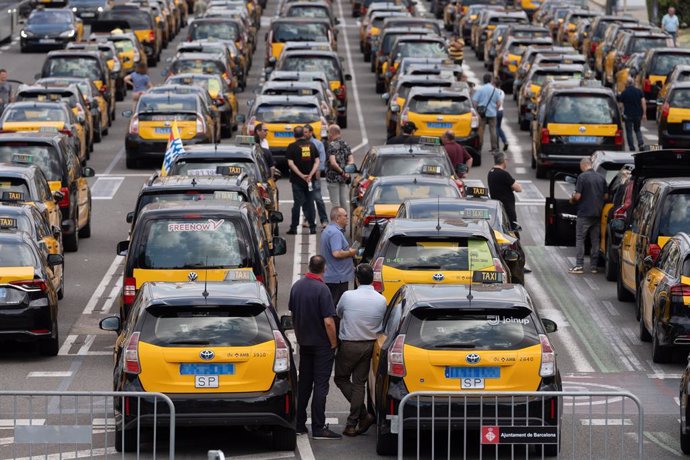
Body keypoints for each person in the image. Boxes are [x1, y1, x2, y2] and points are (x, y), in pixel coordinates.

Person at [288, 255, 341, 440]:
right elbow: (328, 322)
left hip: (305, 344)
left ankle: (299, 424)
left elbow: (293, 315)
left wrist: (300, 336)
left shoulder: (297, 287)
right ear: (324, 268)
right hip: (321, 346)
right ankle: (318, 427)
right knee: (320, 386)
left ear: (310, 266)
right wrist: (333, 343)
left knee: (304, 384)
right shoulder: (322, 290)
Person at [334, 263, 386, 437]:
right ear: (372, 279)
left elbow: (339, 313)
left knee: (341, 378)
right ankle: (352, 423)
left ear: (356, 279)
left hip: (349, 344)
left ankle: (362, 415)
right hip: (370, 345)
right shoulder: (381, 299)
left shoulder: (348, 296)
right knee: (359, 383)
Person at [569, 158, 608, 274]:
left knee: (580, 238)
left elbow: (577, 197)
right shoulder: (601, 177)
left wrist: (571, 199)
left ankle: (579, 265)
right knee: (595, 240)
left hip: (584, 213)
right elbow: (606, 196)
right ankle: (594, 266)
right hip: (597, 214)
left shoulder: (582, 177)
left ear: (583, 165)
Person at [286, 126, 320, 235]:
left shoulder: (292, 147)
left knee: (297, 204)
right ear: (303, 134)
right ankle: (313, 227)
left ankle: (294, 228)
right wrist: (310, 175)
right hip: (310, 180)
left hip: (297, 181)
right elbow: (317, 161)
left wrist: (301, 175)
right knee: (310, 203)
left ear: (294, 134)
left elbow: (291, 164)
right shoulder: (312, 145)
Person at [321, 207, 356, 305]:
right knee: (336, 306)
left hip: (332, 276)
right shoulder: (335, 233)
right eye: (345, 216)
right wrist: (350, 253)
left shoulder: (329, 230)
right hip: (337, 278)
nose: (347, 218)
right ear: (337, 218)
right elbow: (336, 253)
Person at [487, 152, 522, 227]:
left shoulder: (490, 172)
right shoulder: (504, 174)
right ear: (503, 161)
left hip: (497, 206)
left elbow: (501, 186)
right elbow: (518, 188)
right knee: (512, 229)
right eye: (507, 160)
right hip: (507, 208)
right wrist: (516, 185)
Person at [304, 125, 328, 229]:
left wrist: (319, 170)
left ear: (311, 132)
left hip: (314, 175)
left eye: (306, 132)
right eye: (303, 132)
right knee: (305, 199)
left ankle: (324, 220)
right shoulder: (302, 144)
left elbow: (322, 158)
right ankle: (307, 219)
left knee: (318, 198)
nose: (304, 134)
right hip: (304, 176)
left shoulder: (318, 144)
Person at [326, 124, 354, 210]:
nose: (327, 135)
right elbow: (351, 160)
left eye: (328, 132)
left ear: (332, 133)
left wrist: (341, 172)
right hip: (343, 178)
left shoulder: (332, 145)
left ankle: (337, 221)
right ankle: (345, 219)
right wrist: (346, 172)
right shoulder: (345, 144)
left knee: (335, 203)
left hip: (333, 177)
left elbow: (333, 163)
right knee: (343, 201)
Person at [472, 73, 500, 154]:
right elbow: (498, 103)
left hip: (482, 113)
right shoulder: (495, 90)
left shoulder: (480, 89)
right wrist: (495, 109)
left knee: (481, 130)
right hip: (492, 113)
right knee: (493, 130)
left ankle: (479, 147)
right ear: (491, 80)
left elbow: (474, 102)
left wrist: (477, 110)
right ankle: (494, 148)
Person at [618, 77, 646, 151]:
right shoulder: (639, 91)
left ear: (627, 84)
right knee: (637, 129)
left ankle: (631, 147)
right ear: (633, 83)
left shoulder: (624, 93)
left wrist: (621, 113)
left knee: (629, 131)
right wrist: (644, 114)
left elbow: (620, 105)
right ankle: (641, 143)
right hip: (638, 115)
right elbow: (643, 102)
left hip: (628, 115)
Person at [495, 77, 508, 152]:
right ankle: (504, 140)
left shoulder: (493, 91)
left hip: (495, 110)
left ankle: (496, 145)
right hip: (501, 111)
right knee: (498, 127)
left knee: (495, 128)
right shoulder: (502, 92)